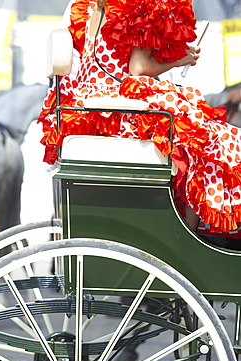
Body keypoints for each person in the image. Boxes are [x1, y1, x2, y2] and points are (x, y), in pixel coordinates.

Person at [38, 0, 241, 239]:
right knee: (206, 140)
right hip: (116, 104)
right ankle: (188, 240)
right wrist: (181, 60)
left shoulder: (92, 7)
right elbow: (138, 67)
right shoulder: (135, 7)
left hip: (86, 105)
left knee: (192, 125)